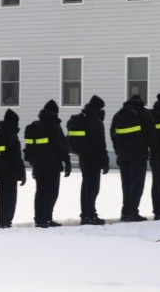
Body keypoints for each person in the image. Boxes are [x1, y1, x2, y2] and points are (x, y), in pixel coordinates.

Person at [110, 94, 155, 222]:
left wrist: (118, 151)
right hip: (138, 155)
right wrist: (152, 151)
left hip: (123, 155)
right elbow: (151, 135)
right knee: (136, 184)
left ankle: (125, 212)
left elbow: (113, 134)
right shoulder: (144, 114)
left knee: (126, 184)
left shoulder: (119, 114)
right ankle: (132, 212)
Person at [67, 95, 108, 225]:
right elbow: (100, 144)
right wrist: (104, 161)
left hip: (84, 157)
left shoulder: (84, 119)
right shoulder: (94, 121)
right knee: (92, 188)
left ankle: (86, 214)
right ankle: (90, 215)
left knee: (86, 187)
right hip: (93, 158)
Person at [30, 100, 71, 228]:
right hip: (51, 165)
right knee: (51, 192)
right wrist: (67, 162)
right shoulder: (54, 126)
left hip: (38, 165)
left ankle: (39, 218)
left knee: (40, 191)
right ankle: (47, 217)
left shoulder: (36, 126)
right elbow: (61, 146)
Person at [0, 108, 26, 229]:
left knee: (1, 197)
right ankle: (6, 221)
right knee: (10, 198)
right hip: (10, 172)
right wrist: (22, 174)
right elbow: (16, 158)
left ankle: (0, 220)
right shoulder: (11, 136)